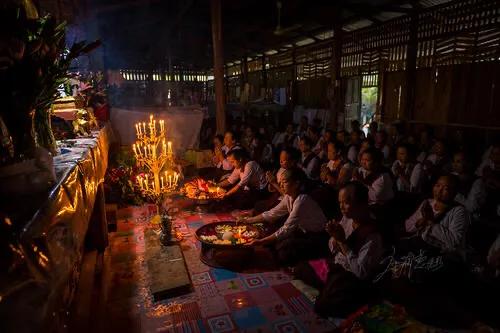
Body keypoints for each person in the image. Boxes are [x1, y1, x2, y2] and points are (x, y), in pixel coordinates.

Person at [295, 182, 384, 318]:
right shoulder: (347, 218)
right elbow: (332, 248)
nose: (341, 207)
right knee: (301, 268)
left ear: (362, 203)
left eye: (346, 202)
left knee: (322, 306)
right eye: (340, 202)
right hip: (334, 268)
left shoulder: (372, 234)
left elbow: (361, 272)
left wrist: (342, 241)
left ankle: (333, 290)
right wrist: (334, 237)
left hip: (351, 277)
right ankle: (330, 287)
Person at [242, 168, 329, 265]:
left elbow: (287, 228)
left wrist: (261, 242)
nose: (280, 185)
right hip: (302, 232)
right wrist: (248, 221)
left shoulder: (302, 200)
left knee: (284, 248)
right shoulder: (289, 197)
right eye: (280, 182)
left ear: (296, 184)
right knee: (271, 236)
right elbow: (272, 214)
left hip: (317, 237)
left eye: (284, 182)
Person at [404, 175, 470, 255]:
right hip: (419, 250)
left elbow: (454, 242)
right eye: (437, 185)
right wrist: (419, 223)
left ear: (454, 193)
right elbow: (407, 226)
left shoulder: (459, 211)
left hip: (441, 256)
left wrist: (431, 223)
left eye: (445, 188)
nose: (439, 190)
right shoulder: (428, 203)